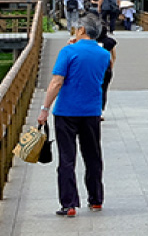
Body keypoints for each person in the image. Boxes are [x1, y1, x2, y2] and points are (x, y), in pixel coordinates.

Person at [38, 15, 113, 216]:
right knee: (93, 155)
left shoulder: (68, 51)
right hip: (91, 110)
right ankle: (96, 199)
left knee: (67, 158)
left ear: (81, 30)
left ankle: (69, 204)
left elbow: (56, 82)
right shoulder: (104, 54)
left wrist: (45, 108)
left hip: (66, 111)